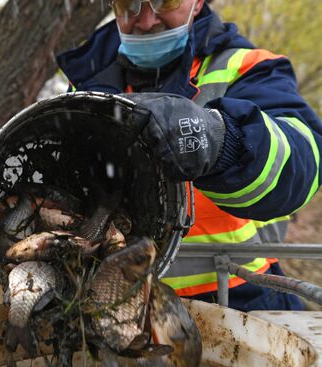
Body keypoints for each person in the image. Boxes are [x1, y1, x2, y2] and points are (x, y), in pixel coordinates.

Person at [56, 0, 322, 311]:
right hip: (112, 308)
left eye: (164, 1)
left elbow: (306, 162)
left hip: (237, 303)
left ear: (197, 3)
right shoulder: (83, 86)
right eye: (128, 4)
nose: (144, 20)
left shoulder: (248, 67)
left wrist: (223, 142)